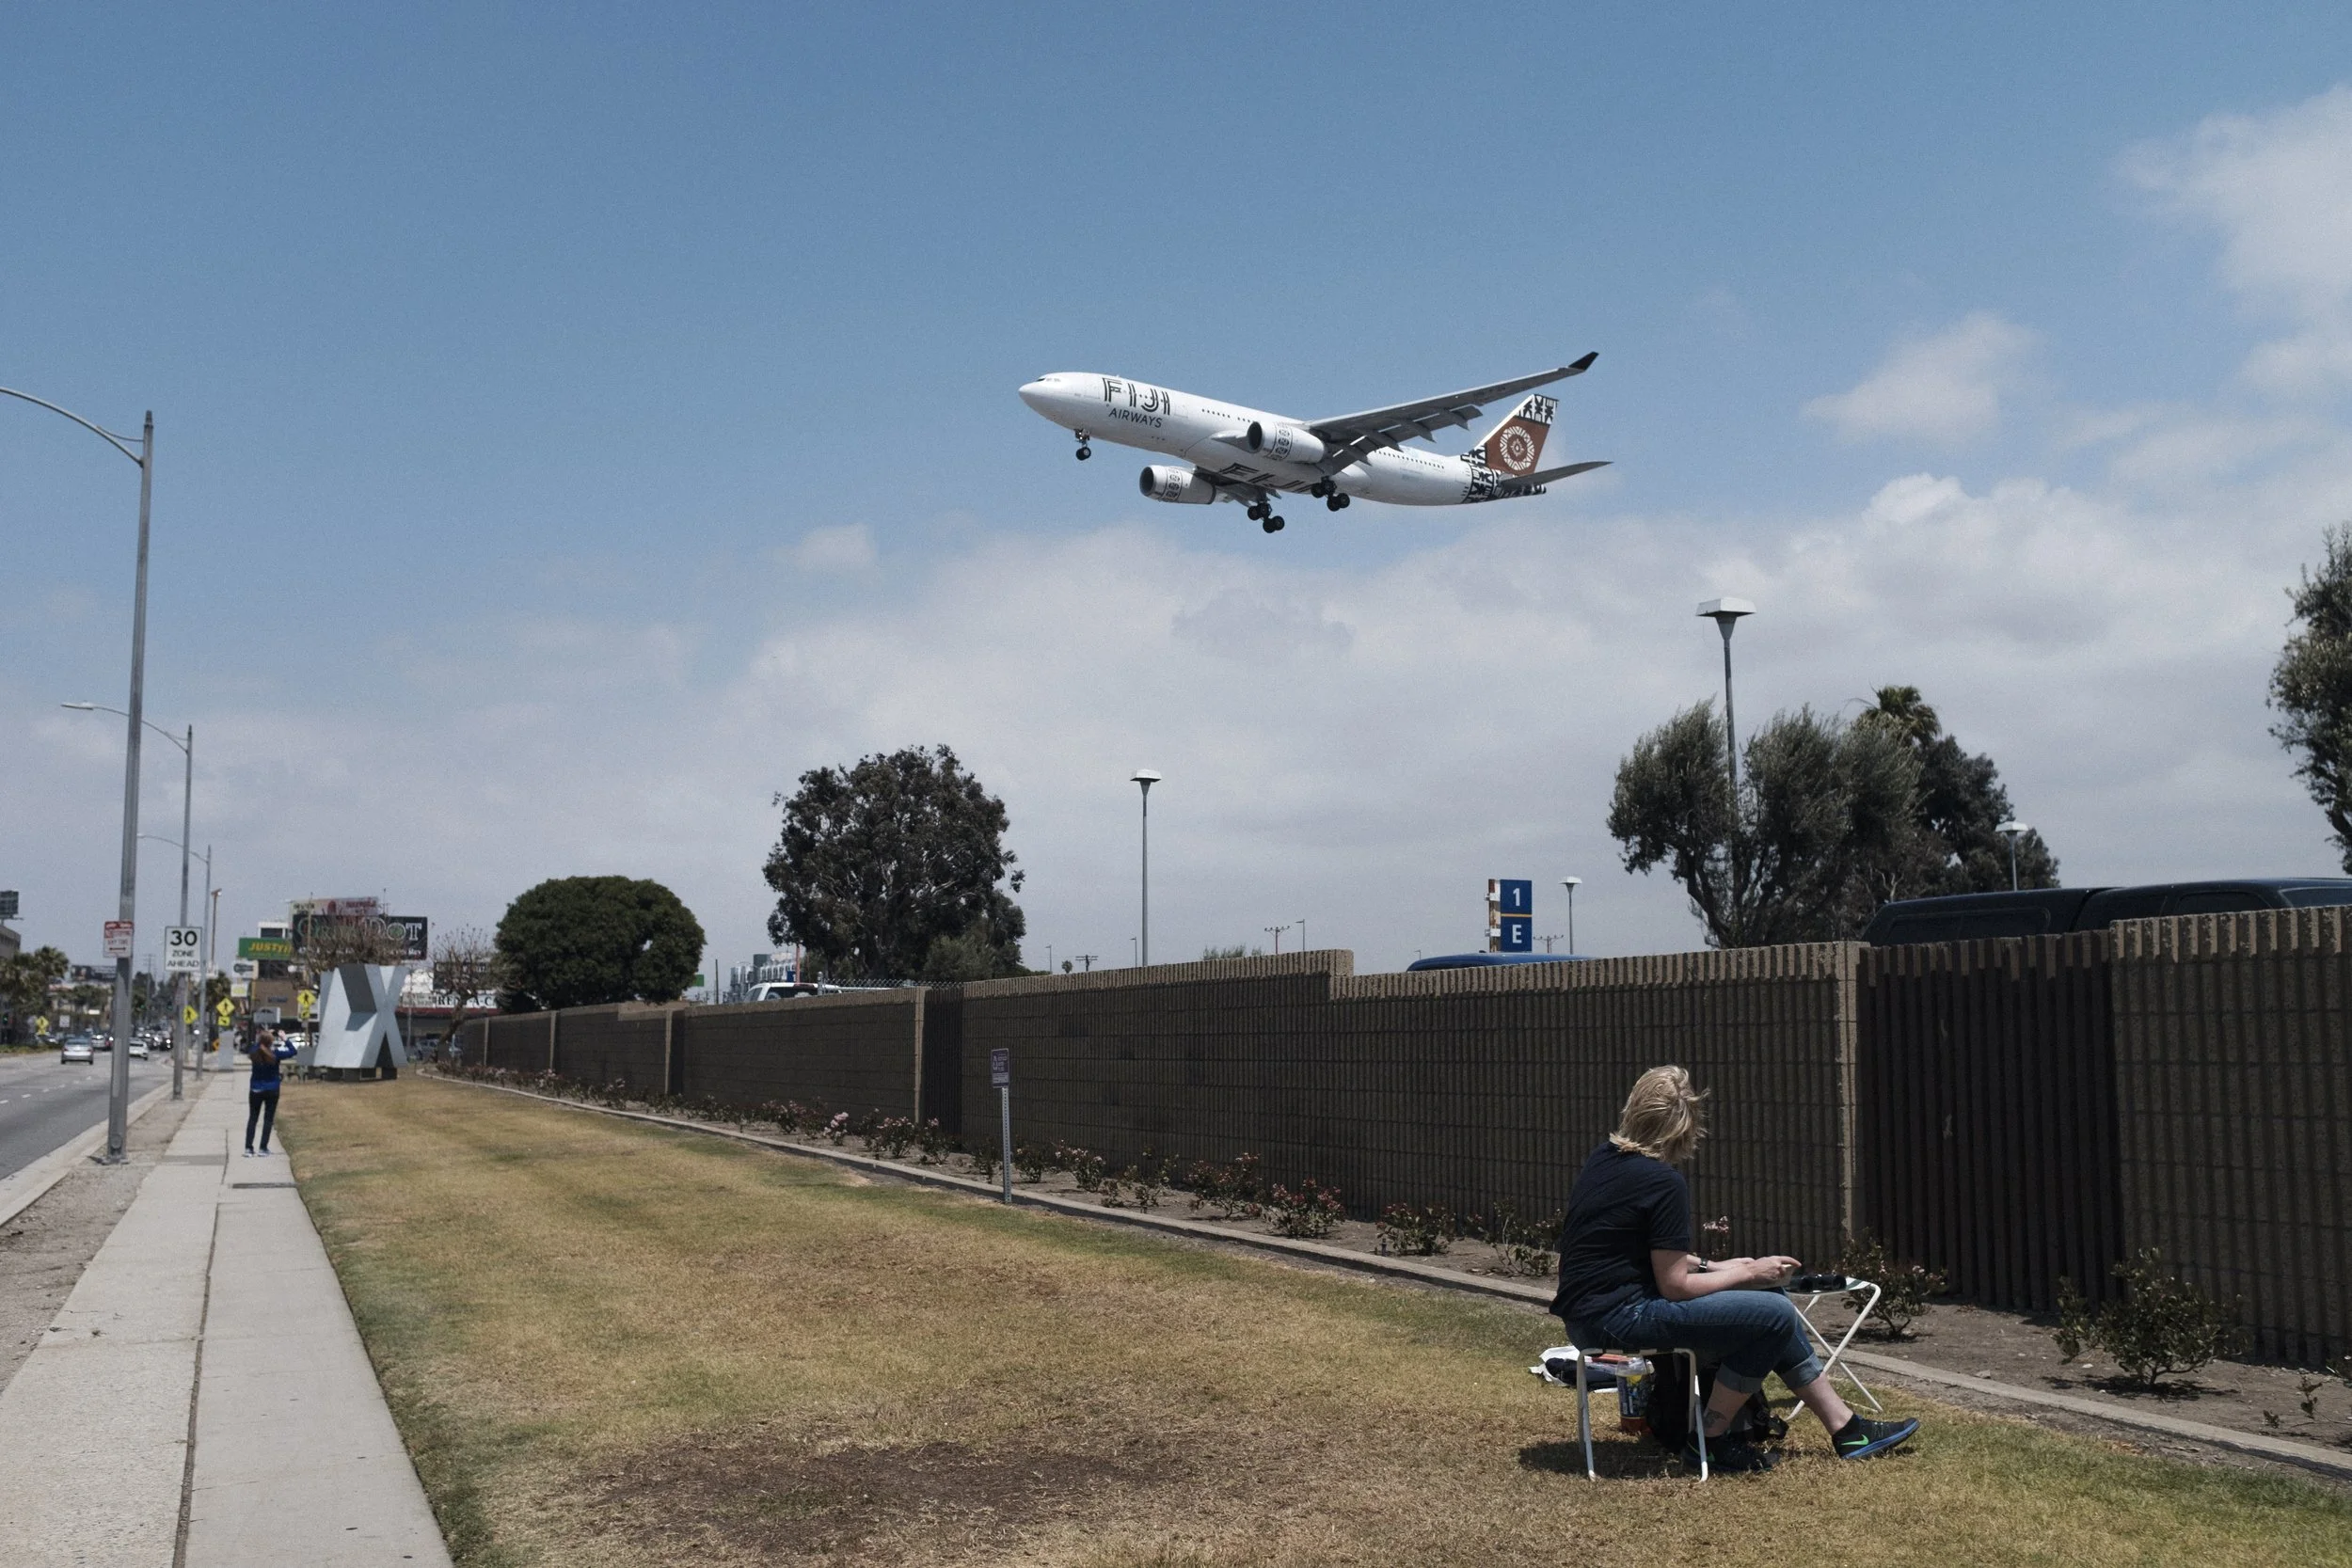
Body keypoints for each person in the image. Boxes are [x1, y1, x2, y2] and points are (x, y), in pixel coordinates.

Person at [1553, 1065, 1919, 1472]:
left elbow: (1633, 1248)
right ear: (1684, 1126)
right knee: (1775, 1312)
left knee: (1768, 1299)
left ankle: (1846, 1429)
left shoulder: (1603, 1160)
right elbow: (1674, 1285)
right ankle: (1708, 1440)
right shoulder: (1662, 1182)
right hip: (1620, 1319)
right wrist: (1749, 1273)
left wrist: (1717, 1264)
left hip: (1585, 1317)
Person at [244, 1027, 298, 1158]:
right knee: (268, 1119)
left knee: (253, 1118)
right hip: (272, 1089)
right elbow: (293, 1051)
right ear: (271, 1042)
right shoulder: (275, 1054)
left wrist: (263, 1036)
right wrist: (285, 1039)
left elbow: (254, 1047)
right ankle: (263, 1148)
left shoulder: (254, 1053)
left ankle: (248, 1148)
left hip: (256, 1089)